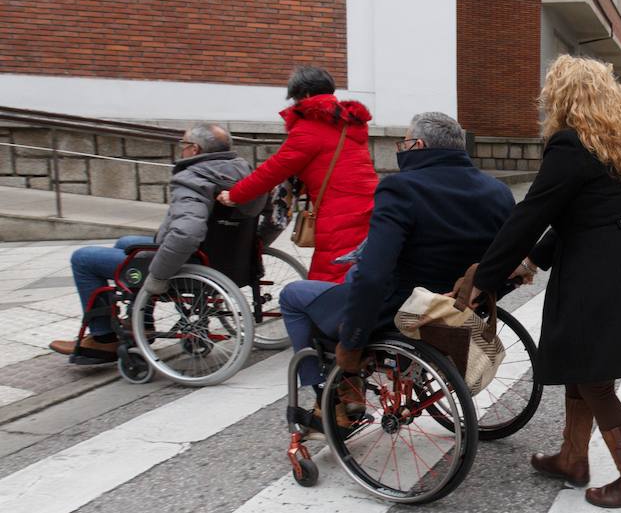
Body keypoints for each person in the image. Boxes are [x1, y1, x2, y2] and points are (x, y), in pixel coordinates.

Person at [472, 55, 621, 509]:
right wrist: (533, 261)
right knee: (581, 368)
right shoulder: (617, 147)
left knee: (596, 379)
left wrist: (483, 278)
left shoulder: (569, 144)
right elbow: (577, 217)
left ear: (563, 98)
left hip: (598, 274)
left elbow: (532, 214)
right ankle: (572, 458)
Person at [277, 112, 514, 401]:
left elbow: (374, 275)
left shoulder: (401, 188)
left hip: (404, 308)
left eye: (403, 144)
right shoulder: (499, 192)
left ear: (417, 145)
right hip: (460, 302)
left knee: (293, 295)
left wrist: (352, 340)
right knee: (353, 274)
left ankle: (330, 393)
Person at [49, 124, 265, 363]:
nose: (181, 149)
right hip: (228, 260)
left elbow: (186, 233)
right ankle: (143, 322)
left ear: (194, 149)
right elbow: (271, 218)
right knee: (127, 242)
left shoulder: (194, 178)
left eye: (183, 144)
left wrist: (158, 276)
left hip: (192, 262)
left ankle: (104, 338)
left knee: (83, 258)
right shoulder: (246, 172)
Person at [217, 65, 377, 283]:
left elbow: (272, 170)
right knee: (357, 272)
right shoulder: (347, 123)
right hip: (368, 208)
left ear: (307, 94)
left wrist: (234, 195)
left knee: (331, 280)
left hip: (340, 215)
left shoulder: (311, 126)